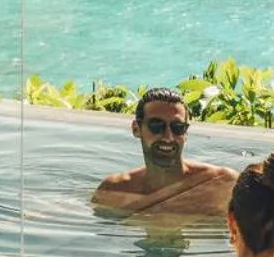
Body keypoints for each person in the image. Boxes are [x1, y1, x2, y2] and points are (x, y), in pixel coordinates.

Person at [92, 87, 236, 216]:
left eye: (177, 127)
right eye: (156, 126)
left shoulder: (222, 184)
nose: (168, 137)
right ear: (136, 129)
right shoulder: (114, 190)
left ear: (186, 133)